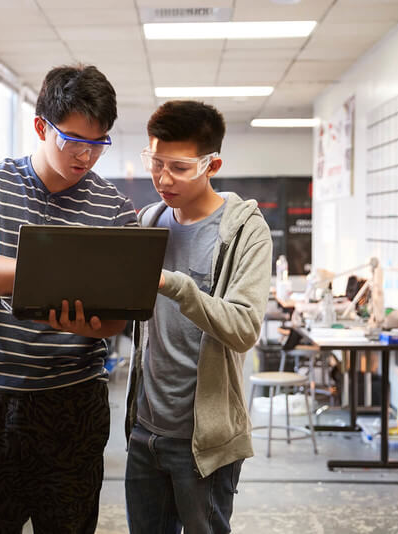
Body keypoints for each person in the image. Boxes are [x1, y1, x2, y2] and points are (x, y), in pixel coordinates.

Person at [0, 64, 137, 533]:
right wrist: (74, 279)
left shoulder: (115, 208)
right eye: (73, 140)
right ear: (40, 127)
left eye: (98, 143)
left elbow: (117, 318)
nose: (85, 156)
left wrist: (83, 322)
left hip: (73, 402)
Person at [124, 100, 272, 534]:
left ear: (212, 164)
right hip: (145, 430)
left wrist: (178, 287)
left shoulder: (245, 231)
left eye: (179, 167)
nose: (163, 178)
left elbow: (244, 328)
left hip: (202, 441)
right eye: (155, 163)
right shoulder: (149, 221)